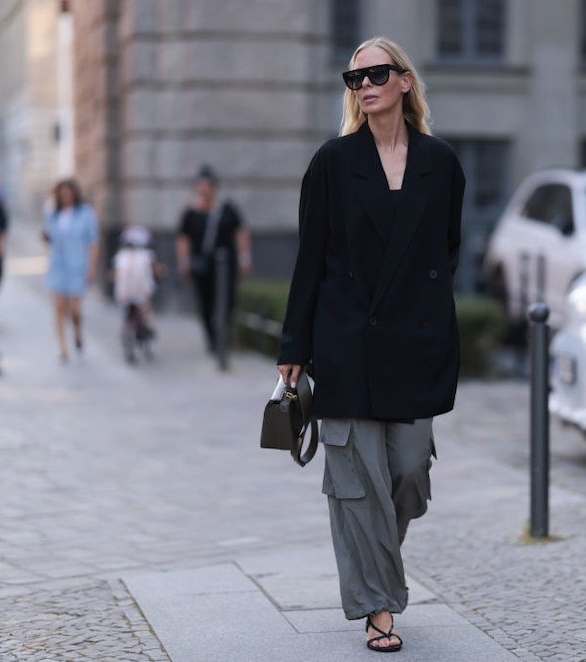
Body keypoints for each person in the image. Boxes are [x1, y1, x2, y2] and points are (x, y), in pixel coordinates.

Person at [277, 37, 465, 653]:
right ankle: (379, 607)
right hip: (347, 342)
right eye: (354, 78)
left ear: (404, 82)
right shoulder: (332, 162)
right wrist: (294, 345)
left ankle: (374, 568)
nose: (365, 85)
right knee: (358, 484)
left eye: (377, 74)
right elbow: (310, 261)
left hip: (414, 345)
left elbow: (447, 253)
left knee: (408, 474)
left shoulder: (441, 163)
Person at [176, 165, 252, 357]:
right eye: (200, 185)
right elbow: (183, 238)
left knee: (227, 301)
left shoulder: (227, 209)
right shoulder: (190, 212)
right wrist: (184, 261)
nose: (203, 189)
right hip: (202, 266)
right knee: (205, 303)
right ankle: (212, 339)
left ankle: (223, 339)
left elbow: (241, 232)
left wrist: (244, 257)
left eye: (206, 185)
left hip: (226, 265)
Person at [43, 178, 100, 363]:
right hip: (58, 266)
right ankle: (62, 348)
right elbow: (47, 236)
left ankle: (76, 330)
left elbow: (93, 241)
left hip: (77, 265)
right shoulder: (53, 213)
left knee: (74, 309)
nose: (65, 195)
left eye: (68, 191)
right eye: (62, 192)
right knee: (59, 308)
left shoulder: (85, 213)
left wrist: (91, 266)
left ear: (74, 193)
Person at [110, 225, 161, 338]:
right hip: (142, 289)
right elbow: (157, 270)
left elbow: (113, 273)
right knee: (146, 307)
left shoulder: (121, 256)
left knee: (125, 308)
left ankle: (125, 328)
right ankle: (149, 326)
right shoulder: (148, 255)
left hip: (124, 290)